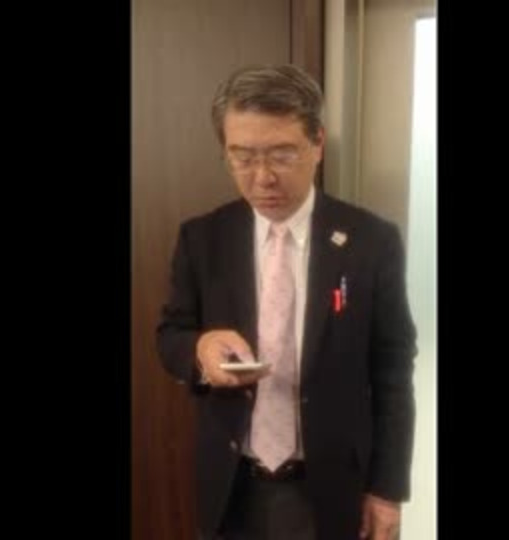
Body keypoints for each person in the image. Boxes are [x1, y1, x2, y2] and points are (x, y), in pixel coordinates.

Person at [156, 64, 417, 540]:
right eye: (242, 157)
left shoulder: (371, 240)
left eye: (282, 154)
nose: (262, 178)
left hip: (332, 485)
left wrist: (387, 490)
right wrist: (199, 350)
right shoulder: (203, 237)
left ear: (317, 143)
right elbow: (170, 335)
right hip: (232, 483)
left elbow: (393, 371)